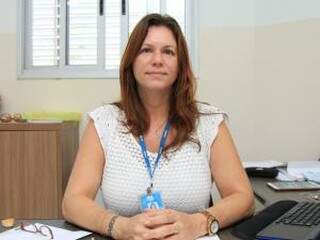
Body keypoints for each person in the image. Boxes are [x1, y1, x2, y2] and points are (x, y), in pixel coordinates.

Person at [62, 13, 254, 240]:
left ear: (180, 64)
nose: (157, 60)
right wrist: (119, 226)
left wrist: (197, 223)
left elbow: (243, 198)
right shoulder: (104, 122)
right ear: (131, 61)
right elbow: (72, 202)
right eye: (146, 50)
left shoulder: (209, 121)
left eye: (168, 51)